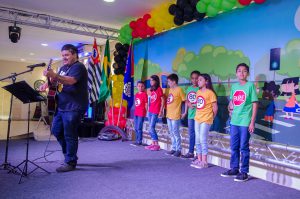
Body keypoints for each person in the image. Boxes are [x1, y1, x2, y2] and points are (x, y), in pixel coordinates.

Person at [39, 44, 88, 172]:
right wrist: (46, 84)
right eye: (62, 55)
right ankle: (69, 155)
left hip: (74, 107)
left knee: (69, 134)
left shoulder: (79, 67)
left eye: (66, 55)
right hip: (61, 106)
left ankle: (70, 162)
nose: (64, 58)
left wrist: (54, 75)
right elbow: (56, 82)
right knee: (56, 131)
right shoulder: (62, 68)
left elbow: (70, 81)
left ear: (75, 55)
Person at [220, 63, 258, 182]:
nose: (242, 73)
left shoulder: (250, 86)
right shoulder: (234, 87)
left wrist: (252, 122)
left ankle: (244, 172)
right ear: (236, 73)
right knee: (234, 146)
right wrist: (229, 108)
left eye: (244, 71)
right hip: (234, 121)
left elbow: (255, 104)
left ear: (247, 73)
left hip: (245, 121)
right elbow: (232, 102)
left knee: (244, 147)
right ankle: (234, 168)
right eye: (239, 71)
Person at [190, 74, 217, 169]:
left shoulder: (210, 93)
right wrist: (193, 105)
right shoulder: (198, 92)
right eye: (198, 80)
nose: (198, 81)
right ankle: (199, 159)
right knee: (197, 140)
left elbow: (215, 107)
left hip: (206, 119)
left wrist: (211, 118)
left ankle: (205, 161)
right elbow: (199, 104)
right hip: (197, 118)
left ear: (206, 81)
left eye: (200, 79)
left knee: (202, 139)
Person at [165, 74, 186, 157]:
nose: (168, 83)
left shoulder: (179, 89)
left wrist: (184, 112)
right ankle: (173, 148)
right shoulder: (170, 90)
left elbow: (185, 100)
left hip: (175, 115)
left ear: (174, 81)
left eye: (169, 81)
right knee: (171, 132)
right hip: (169, 114)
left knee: (176, 132)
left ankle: (179, 149)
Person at [181, 71, 200, 159]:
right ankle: (191, 152)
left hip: (199, 116)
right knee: (191, 134)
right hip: (190, 115)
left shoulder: (201, 89)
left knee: (198, 135)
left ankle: (198, 154)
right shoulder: (189, 89)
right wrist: (185, 112)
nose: (195, 80)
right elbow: (187, 101)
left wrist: (195, 105)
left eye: (196, 78)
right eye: (193, 78)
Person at [145, 75, 164, 151]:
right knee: (150, 128)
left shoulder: (159, 89)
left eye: (152, 80)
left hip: (156, 111)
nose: (151, 82)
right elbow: (151, 100)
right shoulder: (152, 89)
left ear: (156, 81)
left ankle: (157, 145)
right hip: (150, 110)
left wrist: (161, 110)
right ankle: (153, 144)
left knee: (151, 127)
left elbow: (163, 100)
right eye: (150, 80)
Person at [132, 81, 148, 146]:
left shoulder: (144, 94)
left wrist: (146, 112)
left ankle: (139, 141)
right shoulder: (136, 94)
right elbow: (136, 104)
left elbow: (146, 104)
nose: (140, 87)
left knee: (139, 127)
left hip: (141, 113)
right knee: (135, 127)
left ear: (144, 87)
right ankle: (137, 140)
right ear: (137, 87)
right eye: (139, 86)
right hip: (136, 113)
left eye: (142, 86)